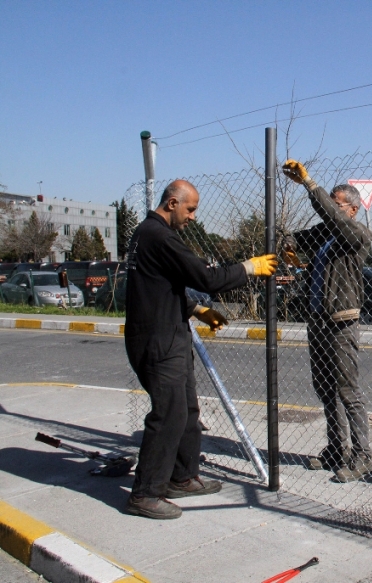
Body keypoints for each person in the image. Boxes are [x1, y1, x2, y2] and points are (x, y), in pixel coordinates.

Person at [124, 179, 277, 519]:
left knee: (187, 411)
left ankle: (181, 476)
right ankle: (145, 493)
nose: (193, 216)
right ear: (172, 202)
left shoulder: (148, 234)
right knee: (169, 414)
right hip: (158, 340)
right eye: (190, 209)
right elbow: (205, 278)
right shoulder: (159, 236)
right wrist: (249, 268)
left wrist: (196, 310)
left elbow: (162, 286)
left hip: (168, 333)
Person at [282, 159, 372, 483]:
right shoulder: (328, 234)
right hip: (318, 320)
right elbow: (300, 237)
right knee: (325, 389)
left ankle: (364, 456)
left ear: (351, 210)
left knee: (348, 390)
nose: (331, 211)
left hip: (341, 321)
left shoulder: (357, 234)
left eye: (336, 206)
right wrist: (288, 244)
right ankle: (336, 449)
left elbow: (330, 218)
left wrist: (309, 184)